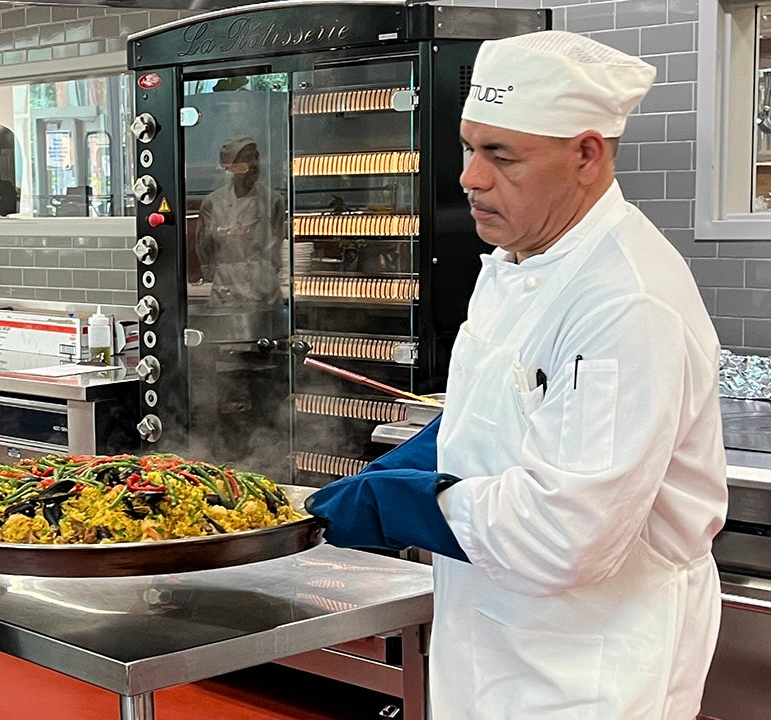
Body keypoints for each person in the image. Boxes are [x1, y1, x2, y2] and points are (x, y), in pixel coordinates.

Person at [306, 31, 728, 718]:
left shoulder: (624, 301)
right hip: (496, 633)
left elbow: (566, 534)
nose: (471, 177)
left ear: (586, 154)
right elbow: (512, 397)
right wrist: (431, 450)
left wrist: (400, 506)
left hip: (586, 661)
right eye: (471, 147)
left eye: (502, 155)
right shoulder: (521, 255)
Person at [195, 136, 286, 306]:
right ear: (229, 167)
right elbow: (204, 248)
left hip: (264, 292)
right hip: (226, 291)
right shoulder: (213, 202)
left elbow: (276, 245)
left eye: (255, 157)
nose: (253, 164)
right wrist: (222, 272)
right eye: (245, 159)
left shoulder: (273, 201)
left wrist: (263, 272)